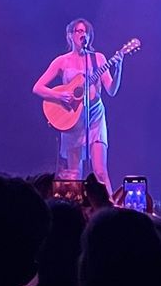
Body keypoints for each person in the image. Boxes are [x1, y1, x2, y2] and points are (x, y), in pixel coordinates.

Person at [33, 17, 121, 185]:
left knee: (100, 172)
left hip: (95, 117)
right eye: (79, 31)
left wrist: (118, 68)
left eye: (86, 31)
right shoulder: (62, 61)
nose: (83, 34)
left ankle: (109, 208)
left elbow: (111, 90)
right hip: (72, 119)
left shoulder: (98, 59)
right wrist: (59, 96)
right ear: (70, 35)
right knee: (75, 174)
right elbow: (38, 87)